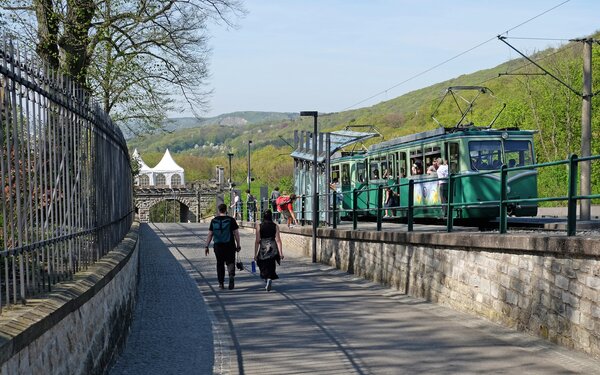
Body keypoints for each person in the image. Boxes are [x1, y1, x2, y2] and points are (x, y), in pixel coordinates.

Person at [205, 203, 241, 290]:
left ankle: (221, 283)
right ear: (226, 210)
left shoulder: (214, 221)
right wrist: (238, 244)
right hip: (230, 245)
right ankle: (231, 275)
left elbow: (210, 234)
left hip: (218, 246)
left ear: (218, 210)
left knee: (220, 263)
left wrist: (206, 246)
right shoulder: (231, 220)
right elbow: (236, 233)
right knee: (230, 262)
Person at [254, 209, 284, 291]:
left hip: (263, 247)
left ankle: (267, 279)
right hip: (273, 246)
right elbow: (278, 240)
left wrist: (255, 254)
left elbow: (257, 241)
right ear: (271, 216)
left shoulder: (259, 226)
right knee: (271, 264)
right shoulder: (275, 226)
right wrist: (281, 253)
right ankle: (270, 278)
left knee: (262, 263)